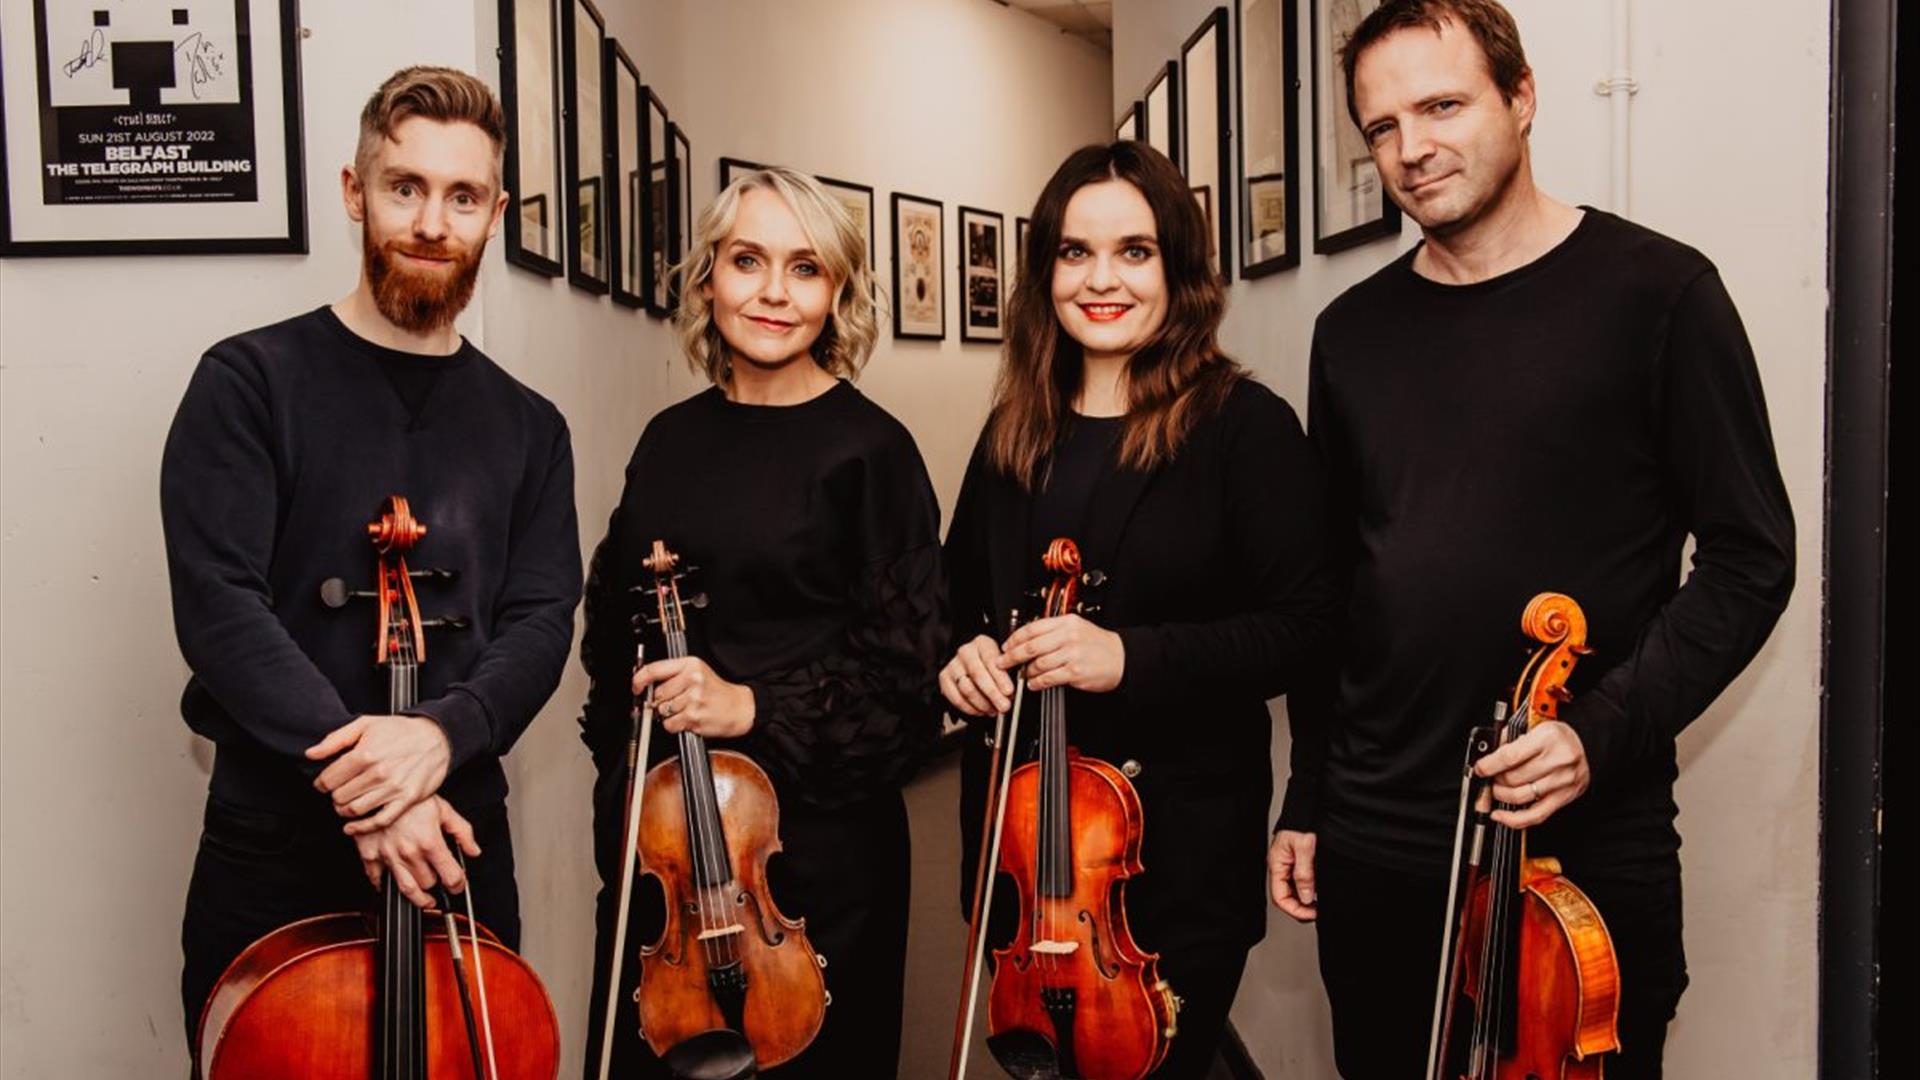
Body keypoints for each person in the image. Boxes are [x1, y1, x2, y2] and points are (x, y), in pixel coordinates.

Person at [1265, 4, 1795, 1078]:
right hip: (1379, 834)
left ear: (1523, 97)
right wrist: (1309, 798)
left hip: (1579, 834)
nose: (1410, 149)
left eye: (1442, 105)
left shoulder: (1661, 295)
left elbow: (1752, 558)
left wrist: (1600, 732)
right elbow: (1338, 592)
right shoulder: (1350, 333)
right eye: (1381, 126)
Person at [161, 65, 581, 1054]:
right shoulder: (248, 383)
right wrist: (376, 792)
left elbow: (540, 620)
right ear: (355, 192)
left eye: (462, 195)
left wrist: (439, 738)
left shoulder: (532, 427)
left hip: (459, 834)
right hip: (274, 840)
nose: (432, 220)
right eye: (405, 187)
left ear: (494, 215)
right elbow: (223, 608)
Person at [941, 141, 1338, 1080]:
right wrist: (956, 664)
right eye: (1075, 253)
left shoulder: (1244, 428)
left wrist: (1131, 658)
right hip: (1022, 866)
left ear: (1180, 268)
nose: (1100, 279)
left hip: (1173, 862)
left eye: (1134, 251)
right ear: (1046, 272)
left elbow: (1311, 624)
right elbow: (955, 601)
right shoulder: (1014, 431)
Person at [577, 167, 946, 1078]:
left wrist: (748, 707)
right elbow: (611, 631)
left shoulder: (874, 452)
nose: (774, 293)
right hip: (673, 858)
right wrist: (634, 793)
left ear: (839, 294)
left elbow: (906, 685)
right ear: (708, 277)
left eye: (806, 269)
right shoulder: (668, 439)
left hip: (812, 866)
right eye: (748, 261)